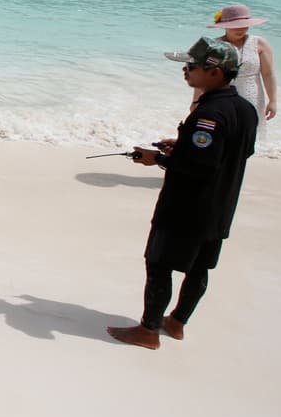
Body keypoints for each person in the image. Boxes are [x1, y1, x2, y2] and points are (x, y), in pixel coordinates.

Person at [107, 37, 258, 349]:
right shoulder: (245, 109)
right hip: (220, 208)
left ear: (215, 73)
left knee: (159, 263)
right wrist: (184, 146)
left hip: (186, 208)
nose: (185, 71)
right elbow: (239, 152)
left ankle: (148, 331)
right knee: (199, 267)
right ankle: (176, 323)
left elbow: (199, 167)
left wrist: (158, 159)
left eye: (192, 66)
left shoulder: (209, 114)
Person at [195, 4, 277, 127]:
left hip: (252, 97)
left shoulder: (260, 43)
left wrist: (273, 101)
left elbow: (268, 74)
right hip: (219, 98)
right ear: (225, 26)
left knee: (247, 137)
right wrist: (196, 101)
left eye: (244, 26)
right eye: (235, 26)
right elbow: (203, 77)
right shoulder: (214, 46)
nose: (240, 29)